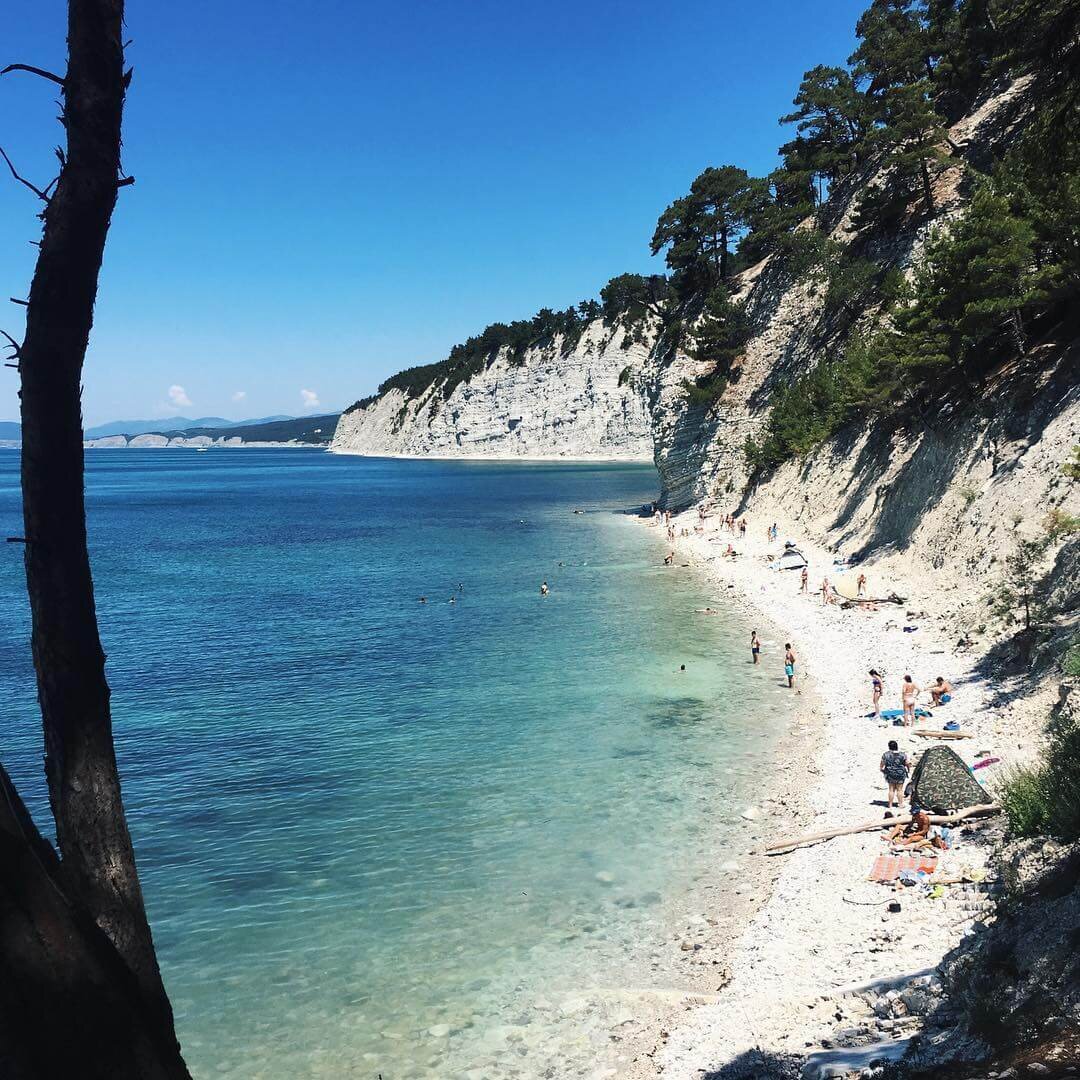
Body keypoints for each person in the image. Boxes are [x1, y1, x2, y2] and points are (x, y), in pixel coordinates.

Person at [880, 740, 910, 809]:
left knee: (891, 789)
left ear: (889, 747)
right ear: (897, 746)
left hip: (890, 773)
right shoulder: (902, 754)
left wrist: (881, 769)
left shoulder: (886, 754)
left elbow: (882, 763)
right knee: (899, 789)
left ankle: (890, 805)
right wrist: (908, 770)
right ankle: (900, 804)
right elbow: (907, 763)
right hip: (900, 773)